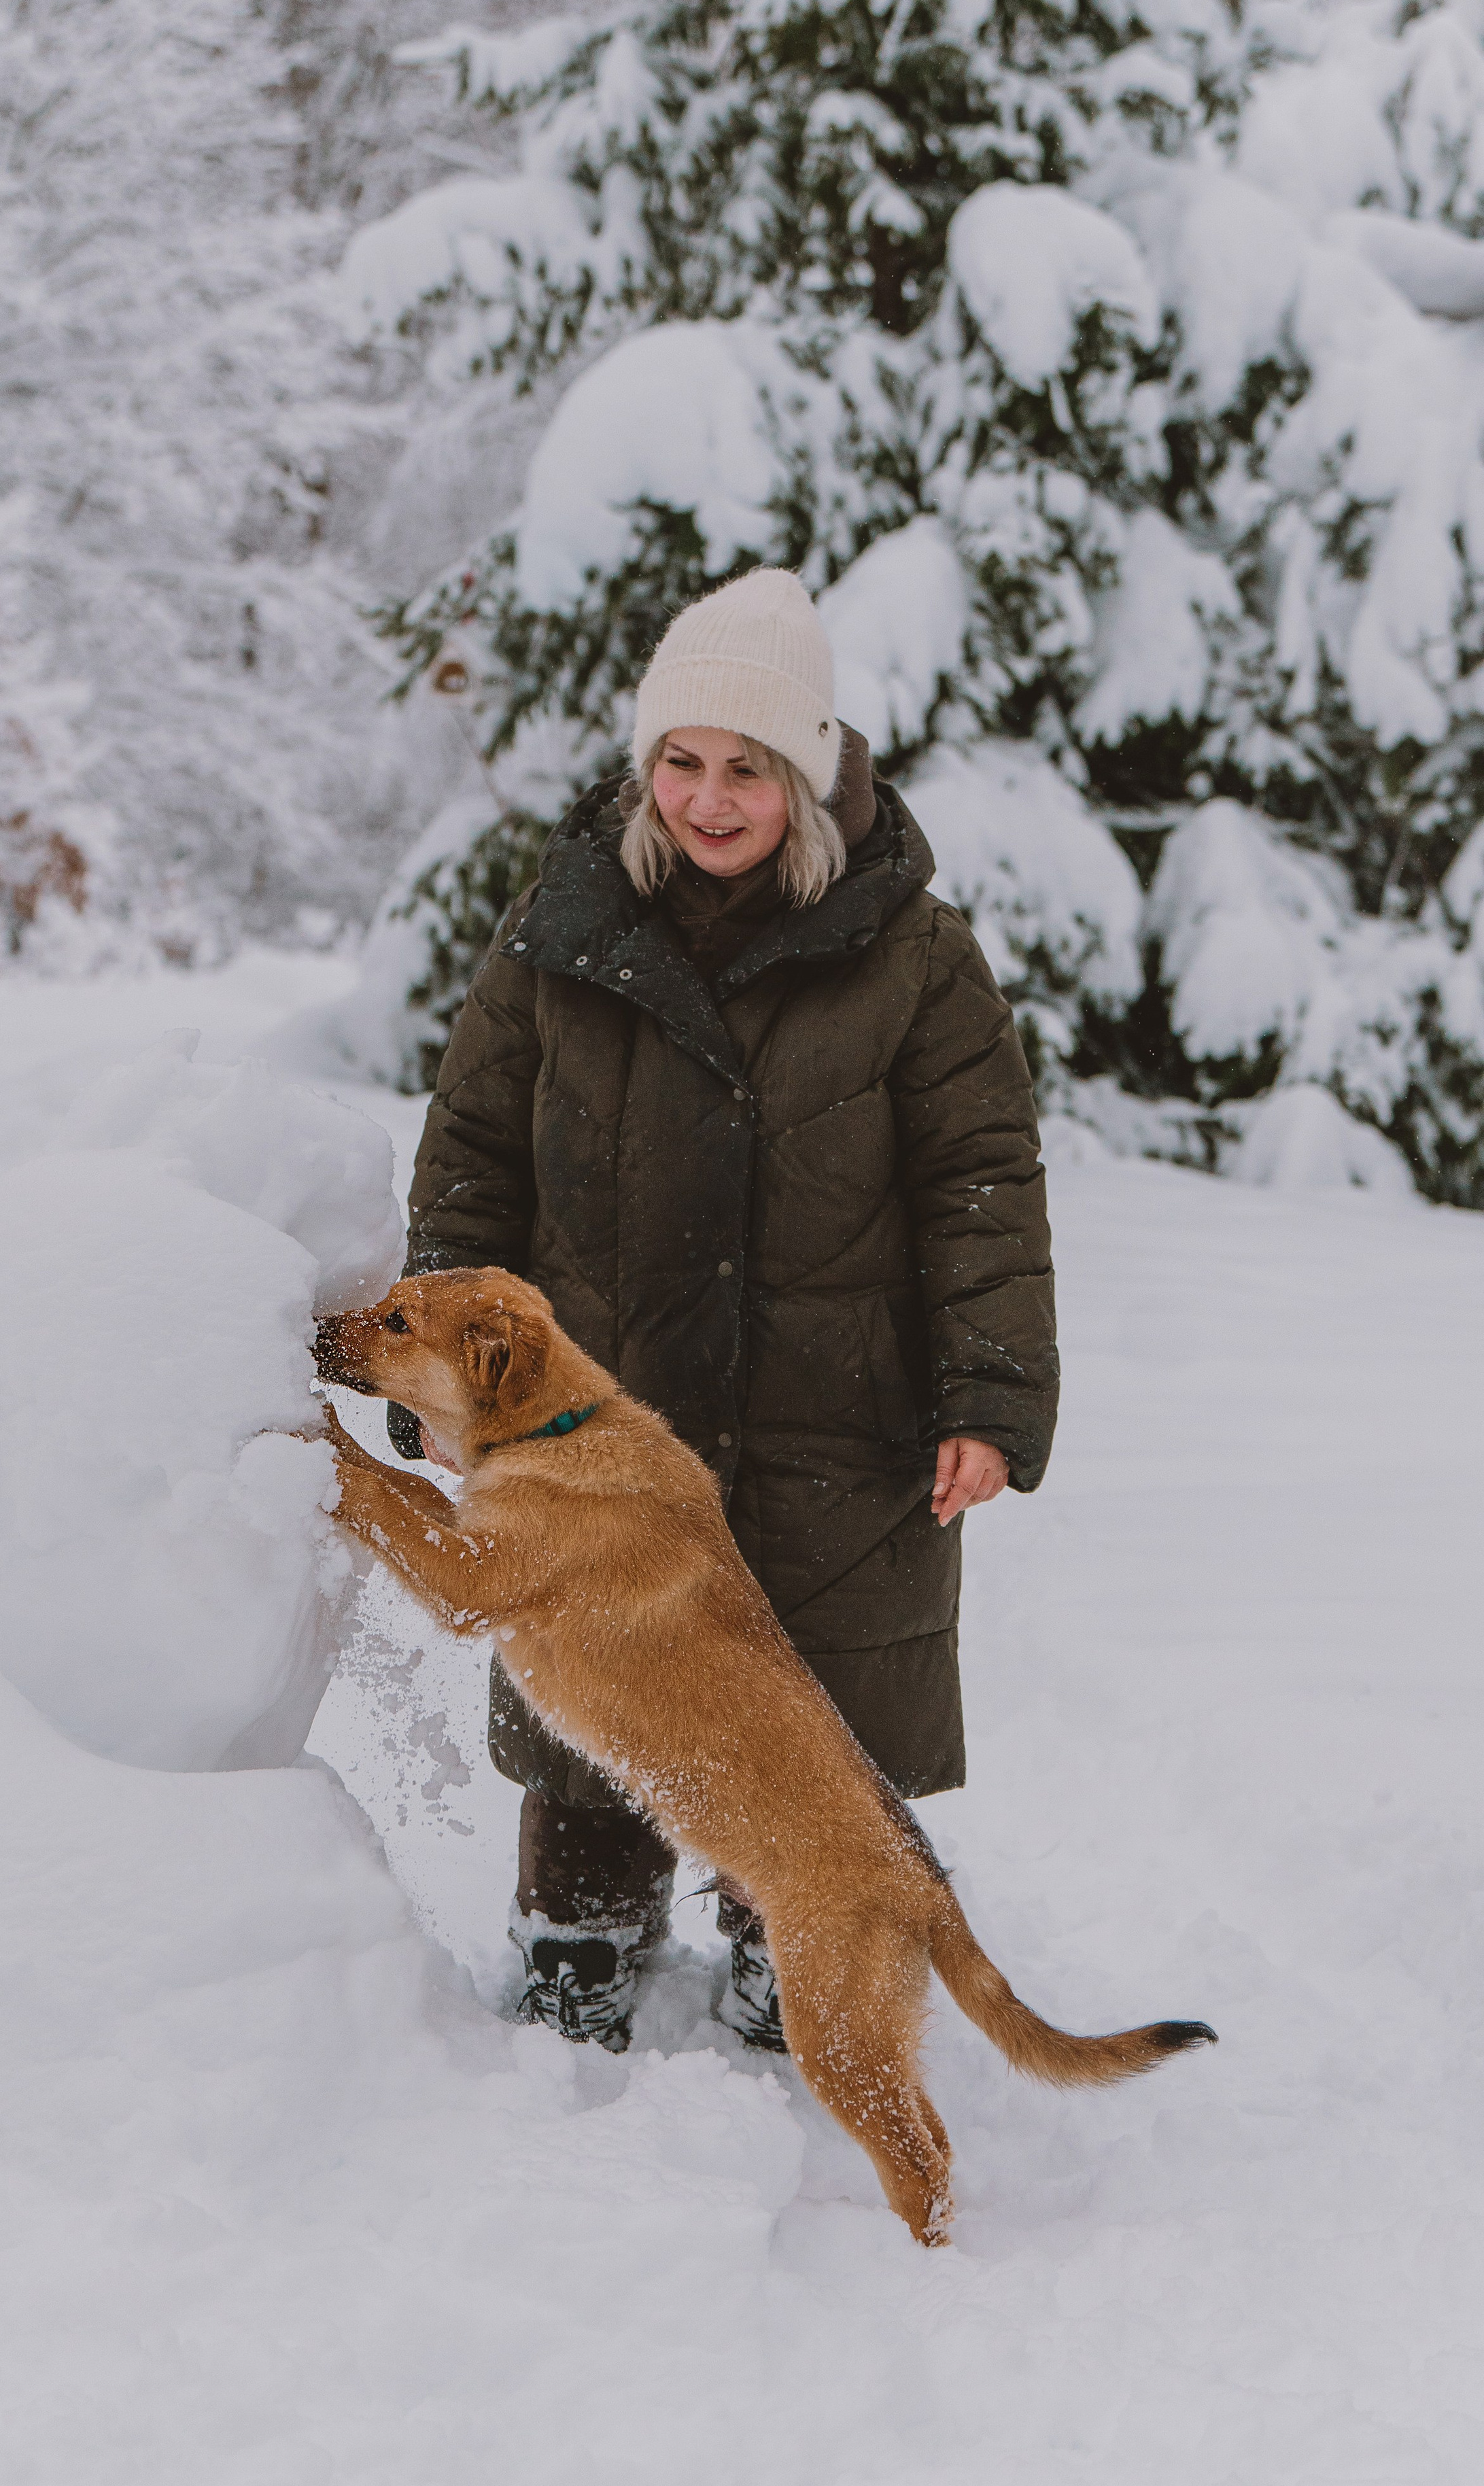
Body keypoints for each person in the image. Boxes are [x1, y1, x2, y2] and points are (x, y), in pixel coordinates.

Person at [391, 566, 1058, 2050]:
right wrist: (435, 1379)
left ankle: (787, 1943)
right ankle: (578, 1934)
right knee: (596, 1668)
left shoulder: (913, 958)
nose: (707, 798)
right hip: (588, 1403)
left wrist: (988, 1397)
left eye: (745, 766)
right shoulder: (562, 929)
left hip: (833, 1410)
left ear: (804, 774)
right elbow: (473, 1159)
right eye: (679, 762)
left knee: (805, 1700)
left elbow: (979, 1185)